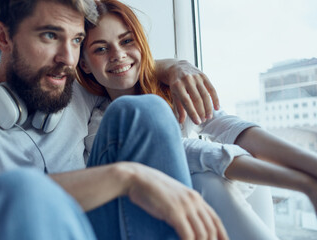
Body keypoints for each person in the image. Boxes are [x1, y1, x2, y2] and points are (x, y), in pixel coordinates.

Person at [0, 0, 230, 240]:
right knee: (24, 189)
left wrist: (176, 67)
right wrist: (123, 177)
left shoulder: (68, 84)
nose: (68, 59)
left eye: (76, 40)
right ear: (3, 36)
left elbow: (123, 68)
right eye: (51, 35)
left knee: (146, 110)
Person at [77, 0, 317, 239]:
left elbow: (229, 127)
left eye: (126, 40)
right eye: (101, 48)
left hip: (214, 200)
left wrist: (309, 165)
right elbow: (188, 153)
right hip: (148, 222)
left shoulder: (171, 90)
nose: (118, 54)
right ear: (85, 64)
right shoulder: (102, 128)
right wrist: (298, 182)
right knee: (207, 181)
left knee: (237, 163)